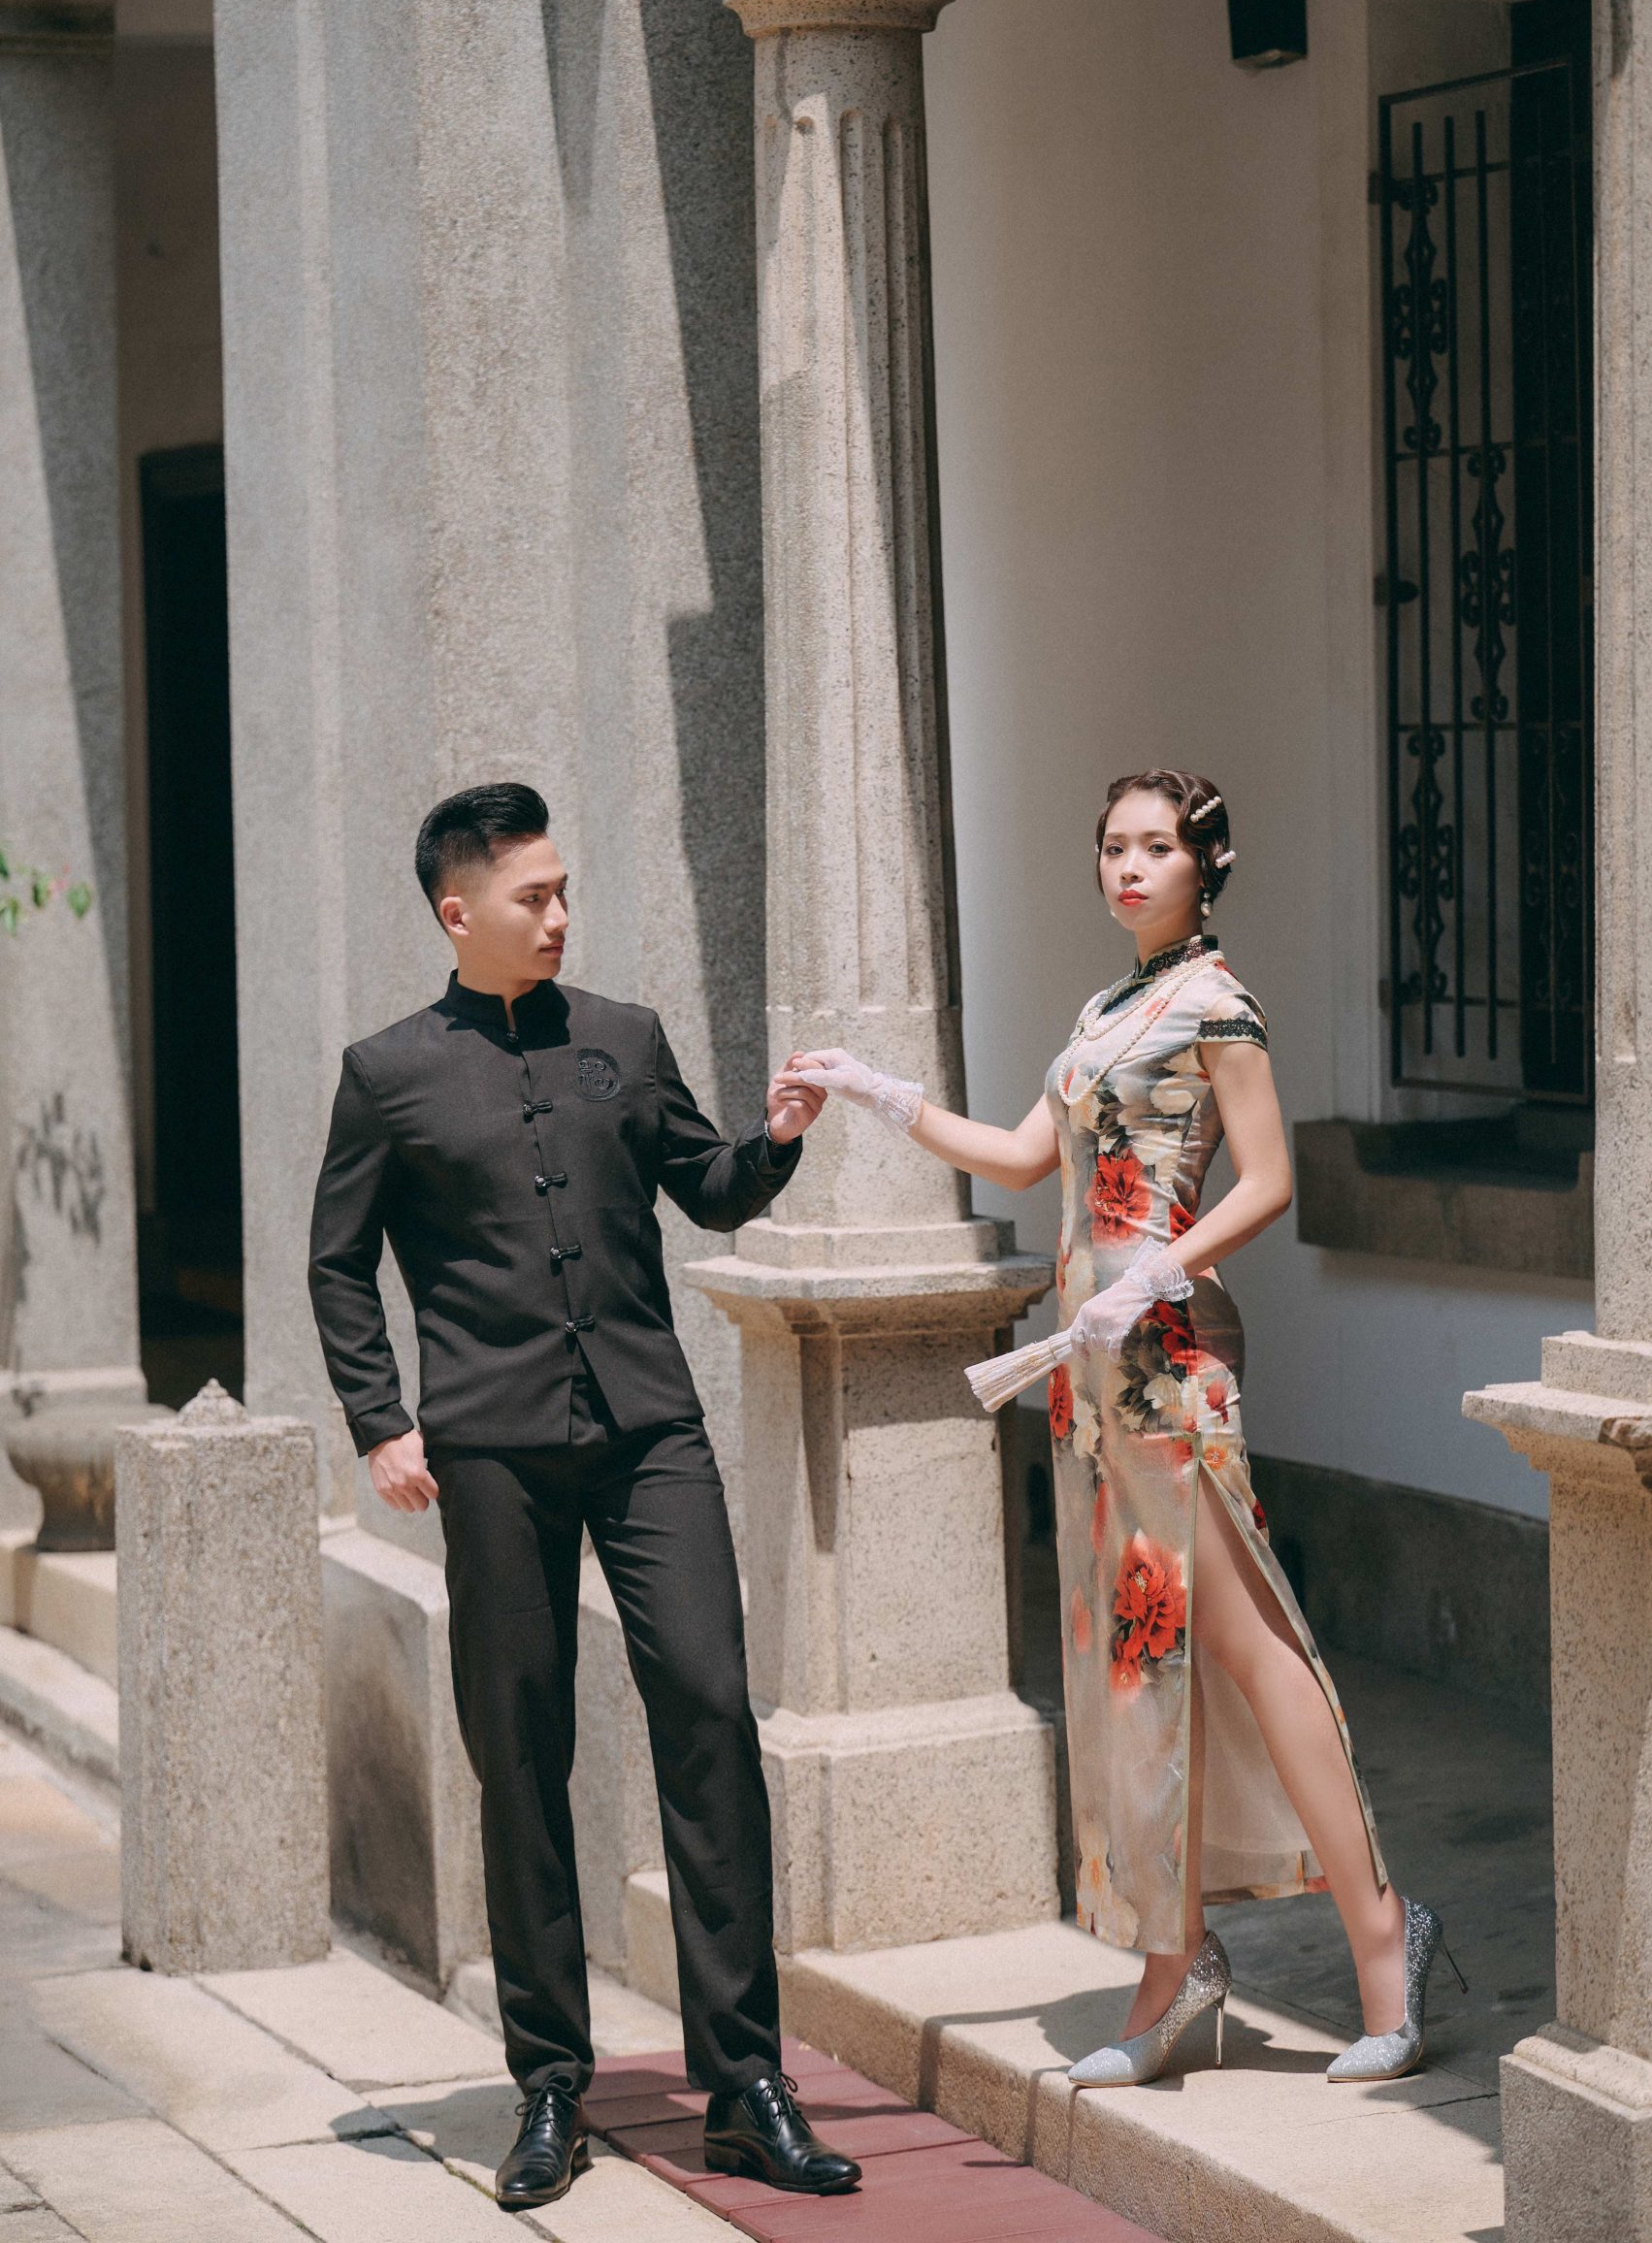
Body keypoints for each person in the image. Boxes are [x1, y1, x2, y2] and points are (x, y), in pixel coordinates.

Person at [797, 768, 1463, 2088]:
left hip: (1170, 1355)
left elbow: (1269, 1181)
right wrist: (875, 1092)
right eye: (1113, 846)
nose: (1129, 867)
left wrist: (1161, 1267)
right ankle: (1174, 1968)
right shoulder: (1105, 1010)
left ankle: (1388, 1938)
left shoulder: (1220, 1003)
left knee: (1250, 1647)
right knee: (1133, 1666)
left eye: (1156, 846)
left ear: (1205, 865)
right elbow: (1021, 1157)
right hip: (1090, 1374)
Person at [308, 783, 858, 2208]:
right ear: (459, 912)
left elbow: (709, 1187)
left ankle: (745, 2084)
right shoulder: (386, 1074)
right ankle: (550, 2081)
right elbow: (338, 1262)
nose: (560, 914)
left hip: (649, 1429)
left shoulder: (625, 1037)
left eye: (563, 891)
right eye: (533, 896)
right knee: (522, 1748)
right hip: (488, 1451)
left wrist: (775, 1137)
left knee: (712, 1710)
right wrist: (381, 1421)